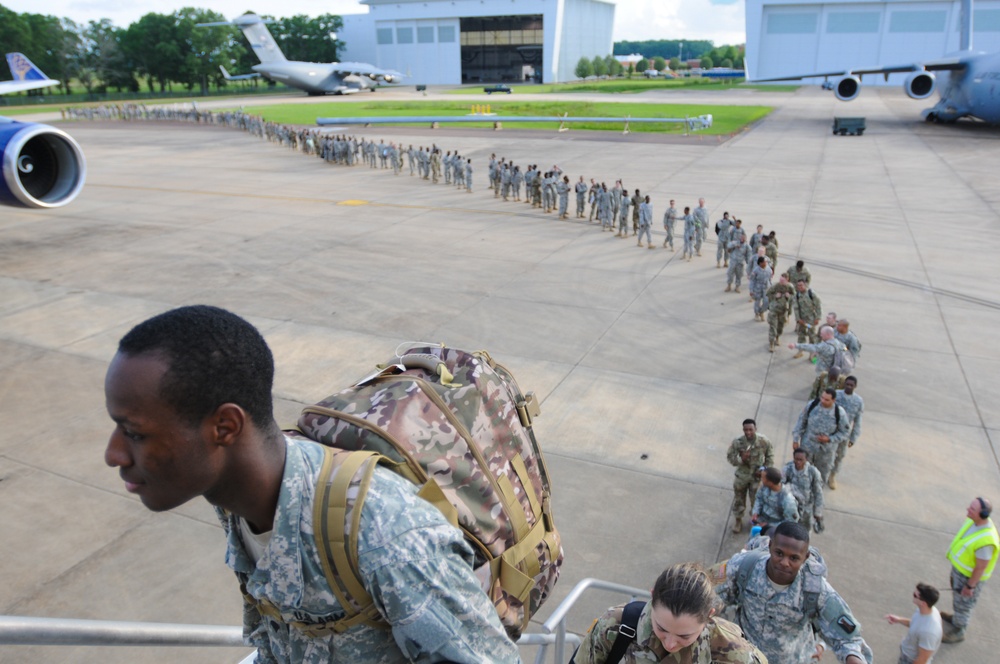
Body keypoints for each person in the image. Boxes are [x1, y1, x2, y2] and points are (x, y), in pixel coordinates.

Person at [103, 305, 519, 664]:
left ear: (224, 427)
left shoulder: (387, 536)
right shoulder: (234, 497)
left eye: (135, 433)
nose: (114, 454)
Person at [719, 521, 873, 664]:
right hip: (744, 657)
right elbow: (708, 600)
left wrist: (853, 658)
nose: (784, 562)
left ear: (805, 558)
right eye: (779, 553)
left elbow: (849, 640)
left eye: (794, 558)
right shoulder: (743, 567)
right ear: (770, 546)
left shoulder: (815, 589)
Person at [573, 564, 766, 663]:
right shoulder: (615, 627)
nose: (670, 643)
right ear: (652, 597)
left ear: (709, 616)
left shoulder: (735, 654)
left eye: (684, 636)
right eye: (661, 628)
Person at [942, 496, 999, 643]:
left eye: (972, 509)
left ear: (983, 514)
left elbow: (981, 567)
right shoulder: (972, 521)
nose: (968, 509)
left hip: (968, 578)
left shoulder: (987, 540)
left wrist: (970, 586)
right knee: (958, 601)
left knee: (964, 604)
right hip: (959, 572)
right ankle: (956, 619)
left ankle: (960, 630)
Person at [726, 419, 774, 534]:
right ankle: (738, 520)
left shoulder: (764, 441)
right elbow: (730, 458)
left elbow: (770, 456)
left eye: (750, 429)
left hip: (756, 477)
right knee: (739, 499)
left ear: (755, 429)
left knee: (757, 501)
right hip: (742, 476)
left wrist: (764, 470)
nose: (748, 432)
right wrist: (741, 459)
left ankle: (755, 520)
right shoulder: (738, 442)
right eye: (746, 430)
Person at [792, 388, 850, 483]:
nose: (823, 401)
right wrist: (795, 439)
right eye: (822, 398)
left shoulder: (839, 413)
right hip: (808, 447)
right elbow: (801, 422)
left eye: (827, 400)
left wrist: (829, 439)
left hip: (826, 452)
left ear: (833, 400)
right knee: (803, 473)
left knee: (821, 477)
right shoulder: (812, 405)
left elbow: (845, 432)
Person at [885, 583, 942, 664]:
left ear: (923, 603)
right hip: (906, 655)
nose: (913, 595)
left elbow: (922, 659)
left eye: (915, 595)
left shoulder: (929, 632)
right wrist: (899, 620)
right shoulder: (924, 611)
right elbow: (916, 624)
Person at [830, 375, 863, 488]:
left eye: (851, 385)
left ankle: (832, 476)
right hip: (831, 431)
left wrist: (853, 437)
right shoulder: (836, 394)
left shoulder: (858, 401)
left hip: (844, 434)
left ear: (855, 386)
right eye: (847, 384)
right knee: (827, 455)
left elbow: (858, 420)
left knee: (840, 456)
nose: (848, 387)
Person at [783, 448, 824, 532]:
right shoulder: (787, 468)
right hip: (790, 506)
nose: (798, 462)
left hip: (806, 508)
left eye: (801, 460)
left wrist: (818, 512)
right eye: (796, 459)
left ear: (806, 459)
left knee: (804, 531)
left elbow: (818, 493)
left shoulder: (812, 472)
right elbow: (780, 486)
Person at [765, 274, 794, 352]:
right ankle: (771, 344)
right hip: (774, 310)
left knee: (780, 327)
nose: (781, 282)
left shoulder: (790, 287)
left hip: (783, 310)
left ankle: (777, 338)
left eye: (783, 280)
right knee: (773, 327)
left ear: (787, 280)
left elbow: (795, 297)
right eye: (780, 280)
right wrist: (775, 296)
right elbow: (767, 293)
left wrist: (789, 297)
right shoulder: (775, 286)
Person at [791, 280, 822, 351]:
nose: (800, 287)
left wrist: (818, 318)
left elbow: (818, 306)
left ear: (805, 285)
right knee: (801, 335)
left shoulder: (811, 294)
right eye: (798, 285)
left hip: (811, 320)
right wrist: (798, 319)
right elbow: (796, 308)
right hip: (802, 320)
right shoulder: (797, 296)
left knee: (812, 335)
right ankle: (800, 351)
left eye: (801, 285)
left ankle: (812, 353)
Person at [749, 256, 773, 322]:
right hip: (758, 288)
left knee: (766, 302)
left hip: (766, 288)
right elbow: (752, 280)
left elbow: (770, 279)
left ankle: (761, 311)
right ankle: (757, 314)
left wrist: (772, 288)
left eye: (766, 262)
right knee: (757, 302)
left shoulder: (769, 269)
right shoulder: (755, 270)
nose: (766, 263)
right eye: (764, 262)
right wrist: (751, 290)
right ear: (760, 263)